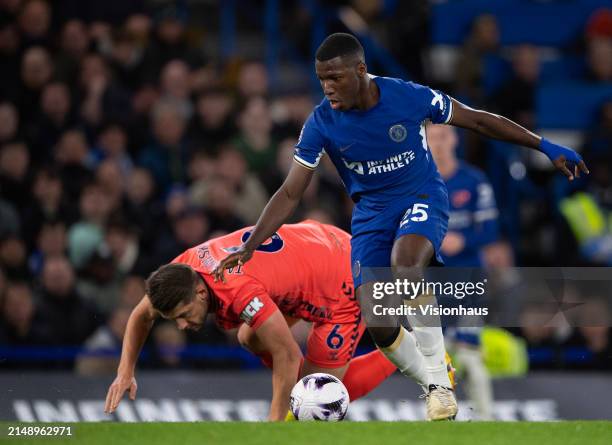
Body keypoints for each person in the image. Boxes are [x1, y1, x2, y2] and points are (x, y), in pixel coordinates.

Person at [213, 33, 589, 421]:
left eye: (336, 78)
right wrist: (251, 244)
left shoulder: (407, 97)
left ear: (361, 70)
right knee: (378, 322)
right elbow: (291, 192)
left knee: (405, 264)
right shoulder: (322, 121)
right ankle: (434, 380)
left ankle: (441, 386)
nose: (328, 88)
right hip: (371, 215)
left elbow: (477, 120)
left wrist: (544, 145)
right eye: (322, 79)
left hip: (421, 197)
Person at [104, 221, 399, 421]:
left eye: (183, 316)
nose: (182, 326)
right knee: (250, 337)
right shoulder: (183, 269)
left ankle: (410, 353)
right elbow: (142, 314)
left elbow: (287, 354)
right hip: (313, 245)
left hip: (341, 277)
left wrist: (274, 425)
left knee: (317, 398)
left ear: (199, 292)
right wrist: (125, 370)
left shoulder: (237, 290)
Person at [428, 123, 498, 419]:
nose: (439, 144)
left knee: (469, 354)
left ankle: (485, 415)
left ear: (454, 138)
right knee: (432, 357)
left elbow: (491, 230)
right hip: (431, 284)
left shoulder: (473, 180)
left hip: (469, 282)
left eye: (444, 136)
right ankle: (439, 416)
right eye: (432, 138)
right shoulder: (417, 183)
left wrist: (465, 239)